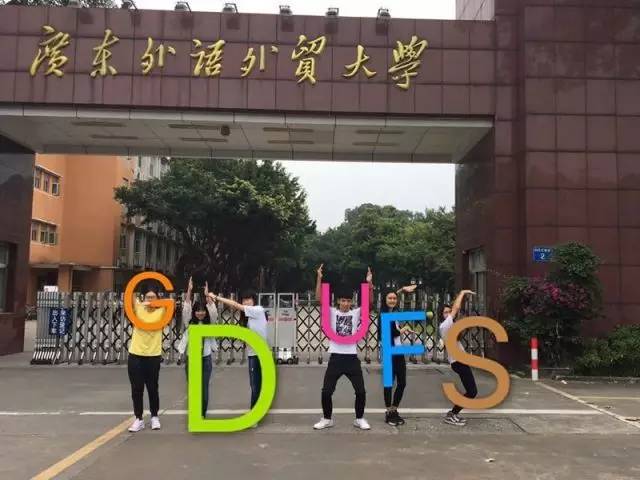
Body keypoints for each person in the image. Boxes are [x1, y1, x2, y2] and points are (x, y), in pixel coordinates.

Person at [313, 264, 374, 431]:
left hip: (351, 358)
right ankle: (327, 419)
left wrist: (369, 283)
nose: (346, 303)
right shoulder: (332, 312)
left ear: (351, 302)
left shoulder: (355, 313)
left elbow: (369, 303)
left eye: (348, 301)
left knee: (360, 391)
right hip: (336, 357)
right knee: (326, 391)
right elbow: (319, 299)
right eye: (343, 300)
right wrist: (319, 278)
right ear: (338, 301)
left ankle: (359, 419)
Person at [209, 290, 268, 422]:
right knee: (255, 385)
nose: (246, 302)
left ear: (254, 300)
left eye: (249, 299)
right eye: (244, 300)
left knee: (256, 386)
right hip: (253, 354)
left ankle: (254, 415)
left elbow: (235, 305)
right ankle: (257, 413)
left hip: (260, 355)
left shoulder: (258, 310)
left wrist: (217, 297)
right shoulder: (248, 318)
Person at [177, 277, 218, 418]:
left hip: (205, 359)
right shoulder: (189, 323)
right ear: (194, 312)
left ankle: (202, 414)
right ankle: (195, 414)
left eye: (203, 311)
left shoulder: (209, 324)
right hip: (192, 359)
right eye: (198, 311)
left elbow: (213, 312)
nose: (200, 313)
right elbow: (186, 307)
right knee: (193, 387)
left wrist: (207, 296)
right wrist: (189, 290)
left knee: (204, 388)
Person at [377, 285, 418, 426]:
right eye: (390, 298)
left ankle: (394, 409)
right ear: (384, 299)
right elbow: (392, 333)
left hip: (398, 352)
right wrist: (405, 328)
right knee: (389, 383)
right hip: (389, 352)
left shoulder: (394, 312)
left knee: (402, 383)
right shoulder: (383, 314)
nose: (393, 300)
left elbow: (393, 298)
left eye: (395, 298)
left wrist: (402, 289)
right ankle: (389, 412)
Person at [127, 286, 165, 433]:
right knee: (136, 388)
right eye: (148, 297)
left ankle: (154, 416)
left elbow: (171, 304)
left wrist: (155, 304)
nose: (150, 300)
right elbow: (129, 296)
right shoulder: (138, 308)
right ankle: (139, 419)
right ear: (143, 298)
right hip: (135, 354)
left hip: (153, 355)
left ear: (158, 298)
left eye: (153, 297)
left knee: (152, 388)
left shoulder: (162, 311)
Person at [439, 289, 478, 426]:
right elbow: (456, 308)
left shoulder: (451, 326)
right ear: (441, 315)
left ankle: (453, 413)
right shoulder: (445, 325)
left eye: (449, 312)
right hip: (458, 362)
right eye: (445, 312)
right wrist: (462, 293)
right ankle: (452, 414)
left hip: (460, 362)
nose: (449, 314)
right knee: (472, 392)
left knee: (471, 391)